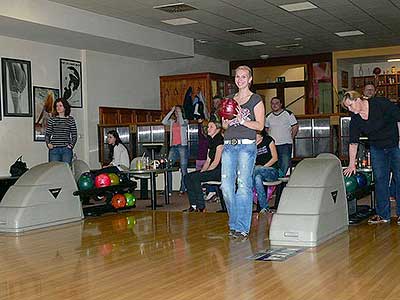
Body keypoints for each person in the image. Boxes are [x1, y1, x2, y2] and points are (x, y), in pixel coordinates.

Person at [342, 90, 400, 224]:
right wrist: (352, 163)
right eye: (347, 107)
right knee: (380, 180)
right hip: (377, 148)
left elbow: (398, 119)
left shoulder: (380, 103)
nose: (350, 110)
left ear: (358, 100)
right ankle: (383, 215)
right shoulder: (356, 118)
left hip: (394, 145)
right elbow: (353, 142)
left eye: (351, 105)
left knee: (399, 178)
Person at [221, 65, 265, 240]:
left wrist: (243, 120)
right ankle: (235, 222)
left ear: (250, 79)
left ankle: (241, 227)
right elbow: (224, 125)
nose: (240, 80)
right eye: (238, 77)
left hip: (246, 146)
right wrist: (229, 123)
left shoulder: (256, 99)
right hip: (229, 145)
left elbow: (260, 126)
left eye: (244, 77)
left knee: (243, 186)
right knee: (225, 187)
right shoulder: (229, 99)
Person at [184, 120, 223, 212]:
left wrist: (205, 173)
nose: (208, 129)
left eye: (211, 127)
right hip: (212, 169)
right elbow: (208, 160)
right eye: (208, 127)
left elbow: (216, 162)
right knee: (187, 177)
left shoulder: (220, 141)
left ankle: (201, 207)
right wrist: (202, 171)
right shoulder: (211, 141)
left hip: (219, 171)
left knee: (195, 178)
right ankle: (193, 205)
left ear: (217, 129)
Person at [265, 97, 298, 176]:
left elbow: (295, 127)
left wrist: (291, 137)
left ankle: (281, 182)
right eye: (272, 103)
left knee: (285, 164)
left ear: (281, 104)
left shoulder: (288, 114)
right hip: (273, 146)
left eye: (276, 103)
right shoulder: (268, 116)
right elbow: (266, 128)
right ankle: (275, 182)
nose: (274, 105)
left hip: (285, 144)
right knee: (275, 164)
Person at [162, 105, 189, 195]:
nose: (177, 113)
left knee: (183, 168)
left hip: (182, 146)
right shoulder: (172, 122)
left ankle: (183, 188)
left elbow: (181, 123)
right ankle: (168, 189)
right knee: (168, 167)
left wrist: (180, 113)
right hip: (173, 146)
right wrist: (171, 111)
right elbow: (164, 121)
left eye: (178, 111)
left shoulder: (185, 121)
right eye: (176, 112)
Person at [253, 129, 281, 214]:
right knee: (257, 179)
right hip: (258, 173)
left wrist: (262, 168)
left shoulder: (268, 140)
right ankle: (265, 207)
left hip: (272, 171)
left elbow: (275, 158)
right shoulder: (252, 145)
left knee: (255, 170)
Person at [45, 98, 77, 165]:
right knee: (53, 169)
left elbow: (74, 135)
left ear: (65, 107)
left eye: (60, 106)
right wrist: (48, 144)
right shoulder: (52, 119)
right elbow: (47, 134)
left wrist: (71, 145)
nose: (58, 108)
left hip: (66, 150)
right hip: (54, 149)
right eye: (56, 106)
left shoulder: (70, 119)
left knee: (66, 170)